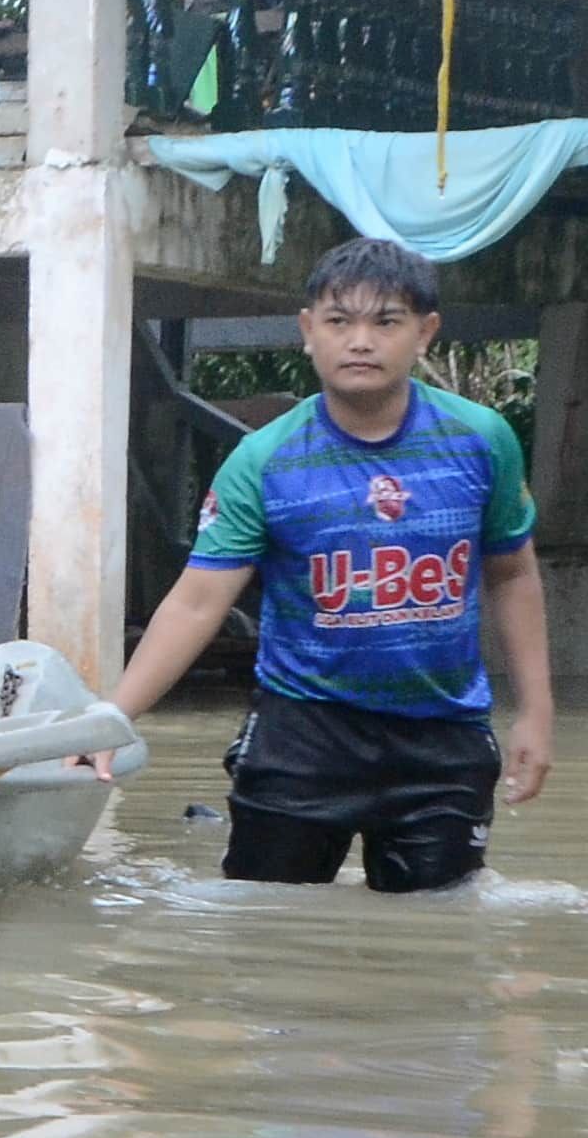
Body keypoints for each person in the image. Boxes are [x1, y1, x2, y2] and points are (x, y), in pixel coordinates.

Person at [105, 235, 554, 891]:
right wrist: (112, 720)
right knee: (265, 927)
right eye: (339, 321)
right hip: (301, 734)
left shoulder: (480, 442)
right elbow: (197, 600)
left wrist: (535, 713)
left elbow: (512, 574)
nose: (360, 341)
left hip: (440, 741)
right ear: (307, 331)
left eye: (385, 321)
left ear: (424, 332)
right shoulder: (263, 460)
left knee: (436, 937)